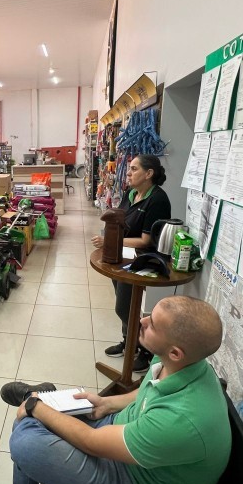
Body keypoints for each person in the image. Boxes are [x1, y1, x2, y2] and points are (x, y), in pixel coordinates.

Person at [0, 296, 231, 484]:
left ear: (176, 352)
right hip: (129, 437)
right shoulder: (187, 365)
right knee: (31, 423)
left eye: (151, 324)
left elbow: (91, 442)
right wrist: (107, 404)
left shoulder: (181, 420)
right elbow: (150, 389)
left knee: (24, 439)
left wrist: (35, 406)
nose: (142, 321)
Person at [91, 153, 171, 373]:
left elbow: (146, 240)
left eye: (134, 169)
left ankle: (145, 351)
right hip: (122, 255)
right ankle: (129, 342)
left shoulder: (158, 200)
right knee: (125, 304)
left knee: (124, 307)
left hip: (142, 260)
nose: (128, 173)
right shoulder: (131, 193)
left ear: (149, 173)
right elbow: (123, 222)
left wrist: (110, 241)